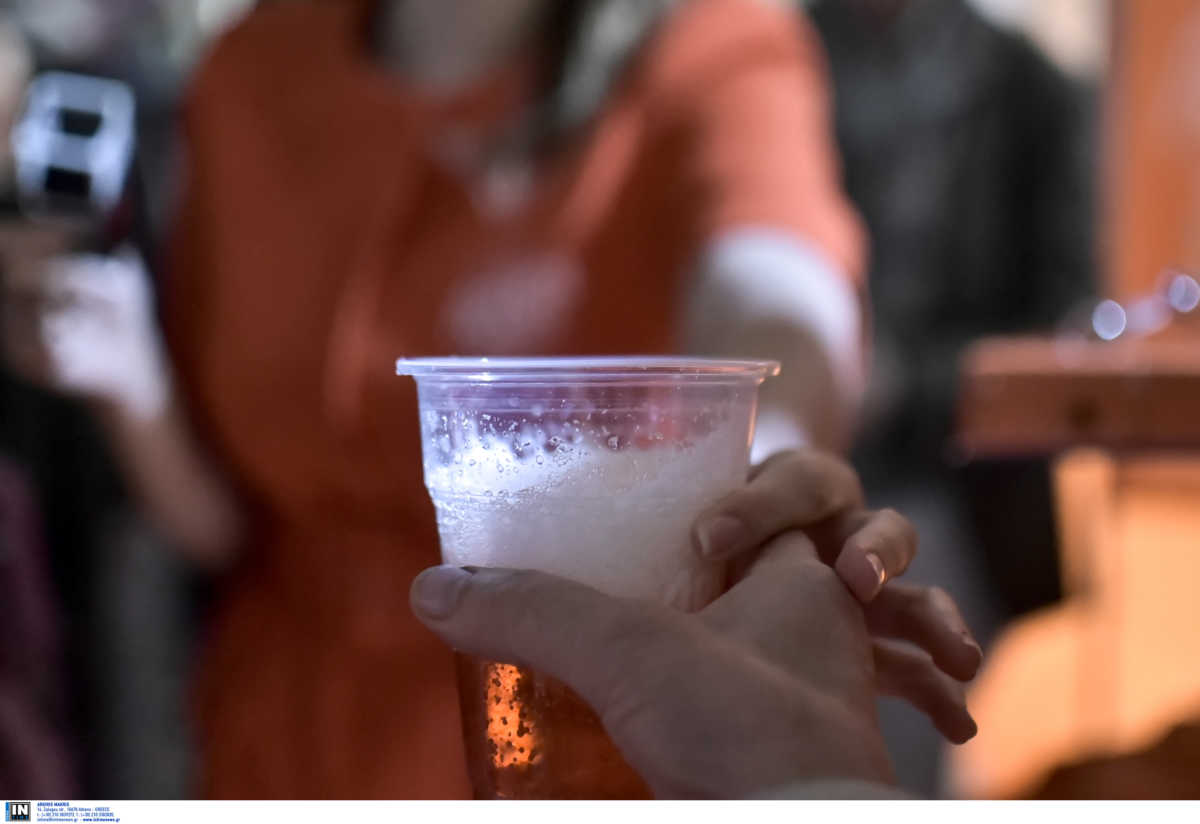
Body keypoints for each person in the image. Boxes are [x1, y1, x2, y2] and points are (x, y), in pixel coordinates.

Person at [3, 0, 976, 798]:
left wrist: (760, 483)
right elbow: (223, 522)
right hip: (280, 740)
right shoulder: (250, 68)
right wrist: (131, 383)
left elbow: (776, 295)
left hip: (580, 726)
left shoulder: (707, 43)